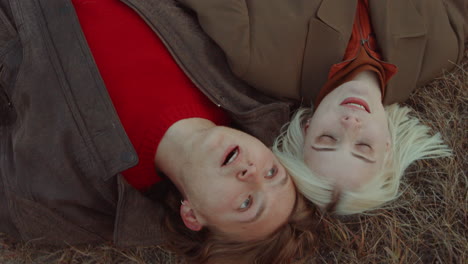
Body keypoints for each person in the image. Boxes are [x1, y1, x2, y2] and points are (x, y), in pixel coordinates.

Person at [0, 0, 320, 263]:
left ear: (193, 216)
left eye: (246, 204)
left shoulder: (71, 200)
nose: (252, 173)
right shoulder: (248, 85)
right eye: (272, 172)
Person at [177, 0, 466, 214]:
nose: (351, 124)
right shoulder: (444, 50)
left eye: (328, 139)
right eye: (364, 146)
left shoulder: (256, 59)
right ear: (388, 145)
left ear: (306, 127)